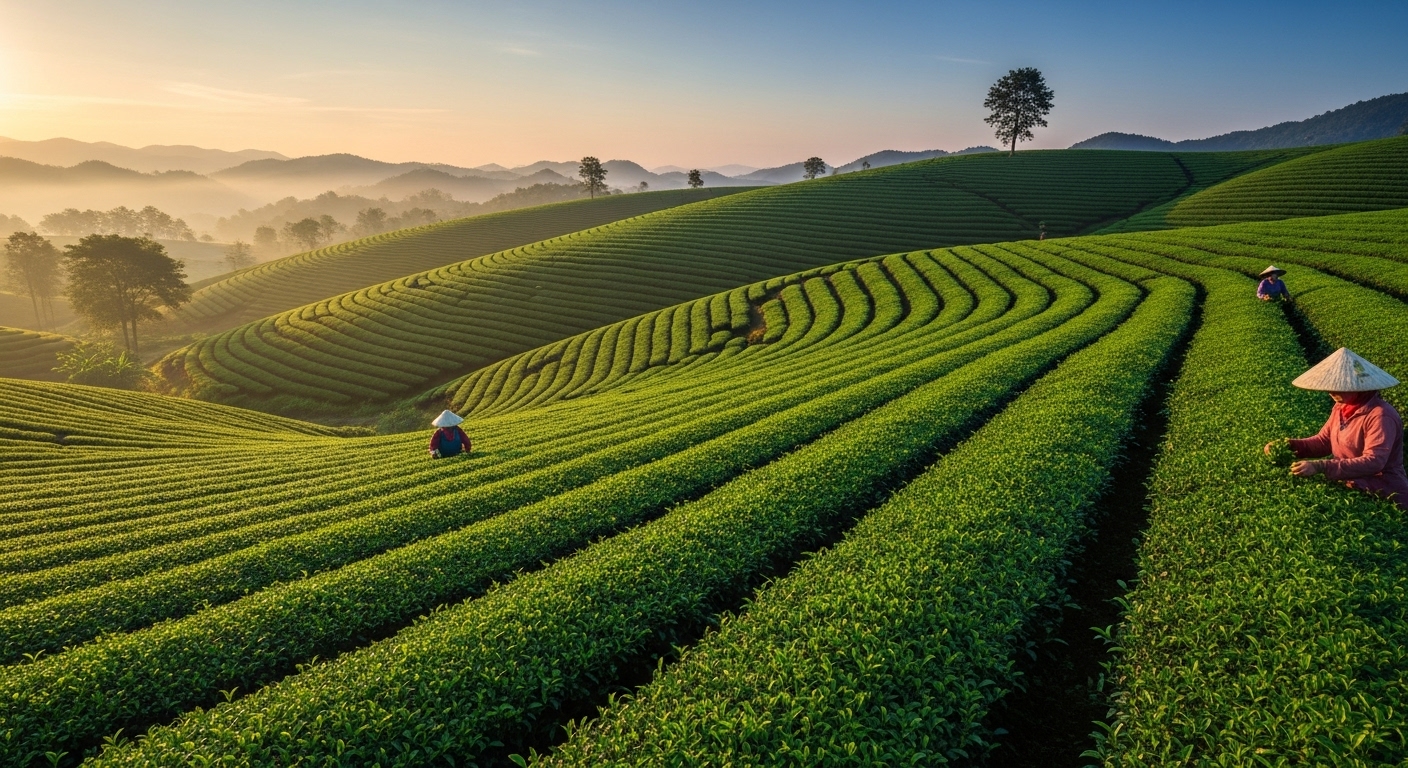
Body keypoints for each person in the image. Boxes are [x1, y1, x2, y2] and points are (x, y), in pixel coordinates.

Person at [1264, 348, 1407, 510]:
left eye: (1339, 386)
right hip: (1354, 484)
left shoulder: (1381, 416)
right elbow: (1324, 442)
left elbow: (1374, 461)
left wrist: (1321, 466)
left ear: (1357, 388)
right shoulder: (1341, 407)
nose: (1331, 392)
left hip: (1384, 491)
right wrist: (1288, 446)